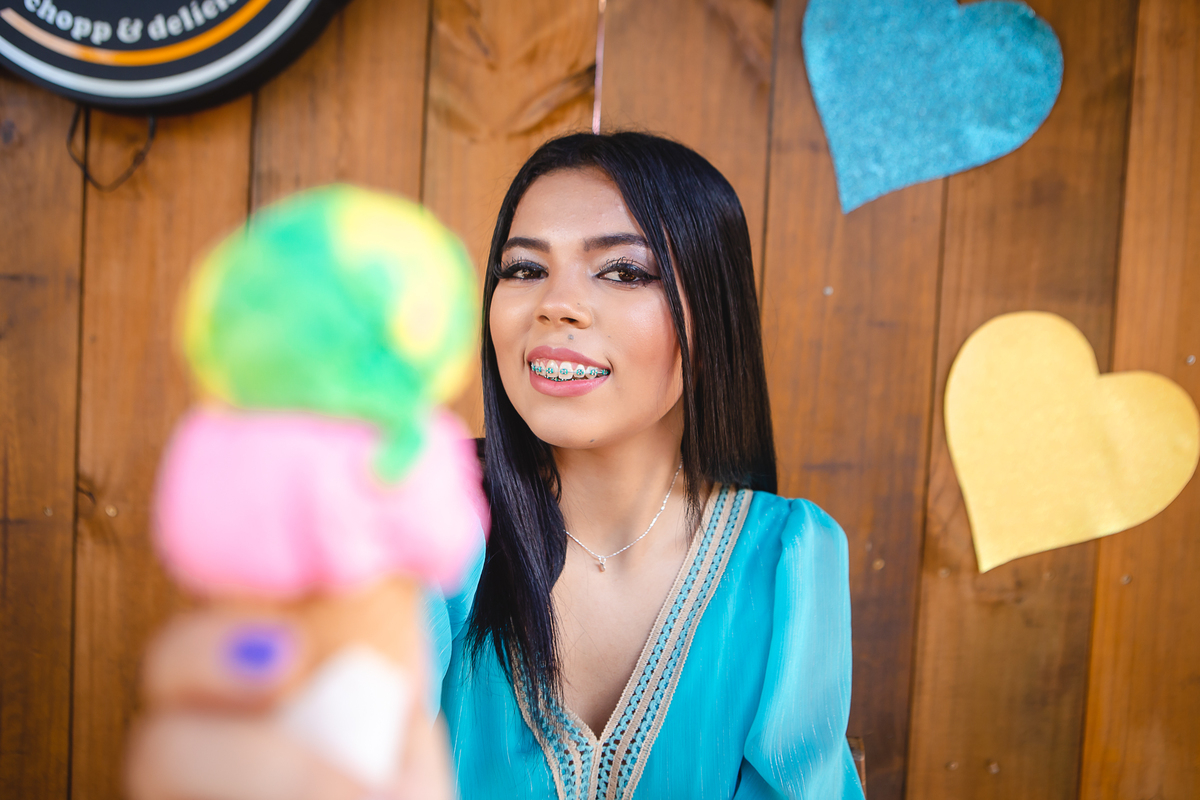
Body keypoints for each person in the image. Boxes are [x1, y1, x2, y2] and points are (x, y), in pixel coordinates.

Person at [128, 132, 865, 800]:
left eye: (621, 270)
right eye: (524, 268)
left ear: (713, 312)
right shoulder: (416, 523)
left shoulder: (792, 558)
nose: (556, 305)